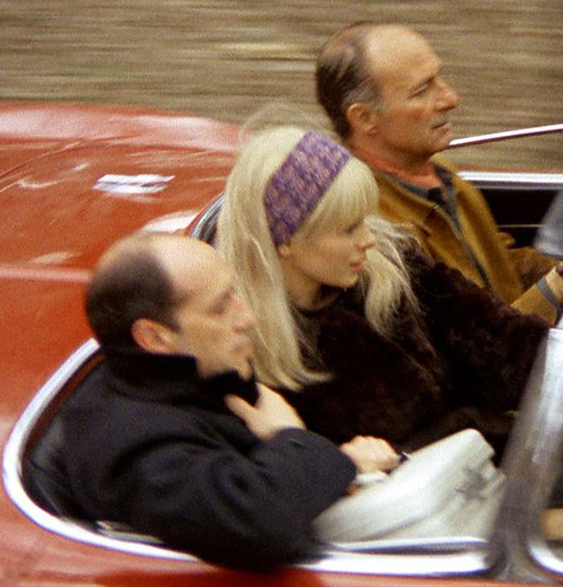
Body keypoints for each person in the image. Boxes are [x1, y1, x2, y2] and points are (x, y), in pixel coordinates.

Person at [57, 232, 400, 572]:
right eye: (221, 307)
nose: (247, 317)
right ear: (155, 336)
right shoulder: (130, 446)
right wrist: (294, 440)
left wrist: (339, 467)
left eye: (235, 293)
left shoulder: (195, 379)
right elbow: (259, 524)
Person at [216, 126, 550, 456]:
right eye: (349, 229)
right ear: (287, 242)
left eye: (365, 220)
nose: (369, 239)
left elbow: (511, 347)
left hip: (507, 456)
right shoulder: (247, 352)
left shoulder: (395, 264)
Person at [314, 22, 563, 324]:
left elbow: (502, 266)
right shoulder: (378, 231)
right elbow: (473, 343)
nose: (450, 98)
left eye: (438, 79)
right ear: (364, 117)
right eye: (422, 91)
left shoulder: (441, 173)